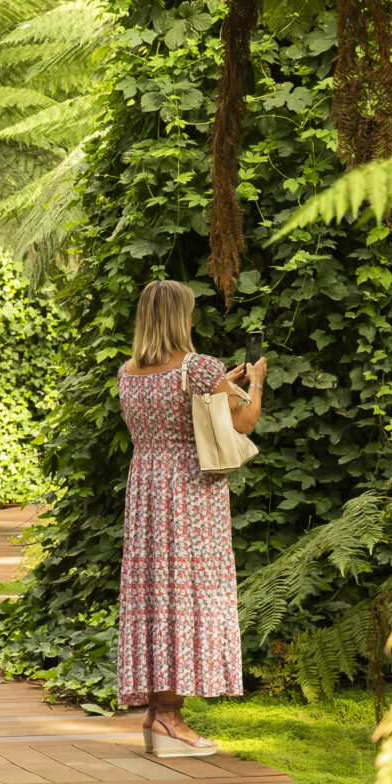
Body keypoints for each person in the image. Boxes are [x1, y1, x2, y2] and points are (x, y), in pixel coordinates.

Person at [116, 279, 265, 755]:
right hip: (190, 493)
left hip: (145, 491)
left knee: (155, 596)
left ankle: (157, 713)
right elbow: (242, 423)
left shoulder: (127, 372)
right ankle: (174, 720)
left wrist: (226, 386)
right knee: (188, 594)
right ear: (182, 317)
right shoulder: (200, 368)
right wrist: (255, 382)